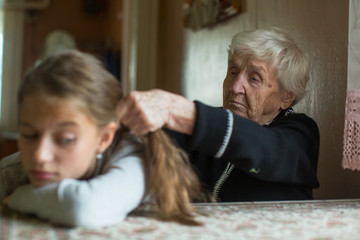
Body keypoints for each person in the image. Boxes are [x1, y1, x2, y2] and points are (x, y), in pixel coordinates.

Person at [0, 50, 201, 227]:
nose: (39, 156)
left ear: (104, 139)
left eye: (66, 139)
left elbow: (84, 208)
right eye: (29, 135)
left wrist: (20, 198)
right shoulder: (9, 172)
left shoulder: (132, 158)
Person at [117, 27, 320, 202]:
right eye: (233, 71)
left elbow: (266, 149)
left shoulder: (299, 135)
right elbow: (151, 143)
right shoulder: (209, 123)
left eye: (254, 78)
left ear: (286, 97)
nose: (235, 86)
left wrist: (174, 109)